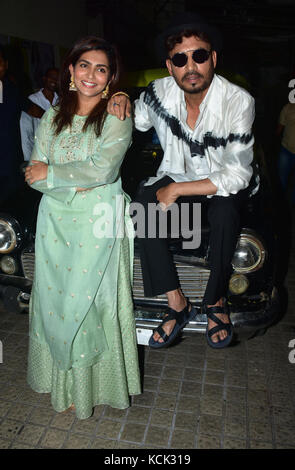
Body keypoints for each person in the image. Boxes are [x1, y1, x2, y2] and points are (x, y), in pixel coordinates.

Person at [108, 13, 256, 349]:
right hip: (178, 177)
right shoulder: (159, 94)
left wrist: (176, 189)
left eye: (199, 55)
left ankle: (216, 300)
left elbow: (237, 175)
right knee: (143, 204)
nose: (191, 66)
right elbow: (135, 120)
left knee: (224, 211)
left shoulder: (238, 101)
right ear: (170, 66)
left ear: (213, 59)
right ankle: (178, 304)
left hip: (219, 184)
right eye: (180, 59)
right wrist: (118, 99)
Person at [24, 36, 141, 419]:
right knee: (55, 303)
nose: (92, 74)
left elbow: (103, 169)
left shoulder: (117, 117)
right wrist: (54, 179)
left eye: (102, 69)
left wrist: (53, 174)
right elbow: (32, 172)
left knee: (89, 303)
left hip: (98, 223)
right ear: (71, 71)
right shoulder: (50, 119)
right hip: (54, 223)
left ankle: (91, 388)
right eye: (85, 65)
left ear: (110, 79)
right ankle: (63, 384)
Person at [0, 45, 44, 202]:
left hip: (10, 162)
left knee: (10, 206)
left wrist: (56, 117)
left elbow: (33, 110)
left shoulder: (11, 89)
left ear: (5, 65)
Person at [20, 67, 59, 161]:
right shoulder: (32, 100)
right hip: (39, 154)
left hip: (57, 153)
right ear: (44, 78)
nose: (54, 80)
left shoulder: (61, 101)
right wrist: (28, 158)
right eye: (51, 77)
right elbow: (26, 132)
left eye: (57, 78)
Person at [277, 101, 295, 203]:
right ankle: (282, 202)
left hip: (286, 150)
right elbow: (279, 128)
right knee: (281, 177)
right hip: (286, 149)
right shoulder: (287, 107)